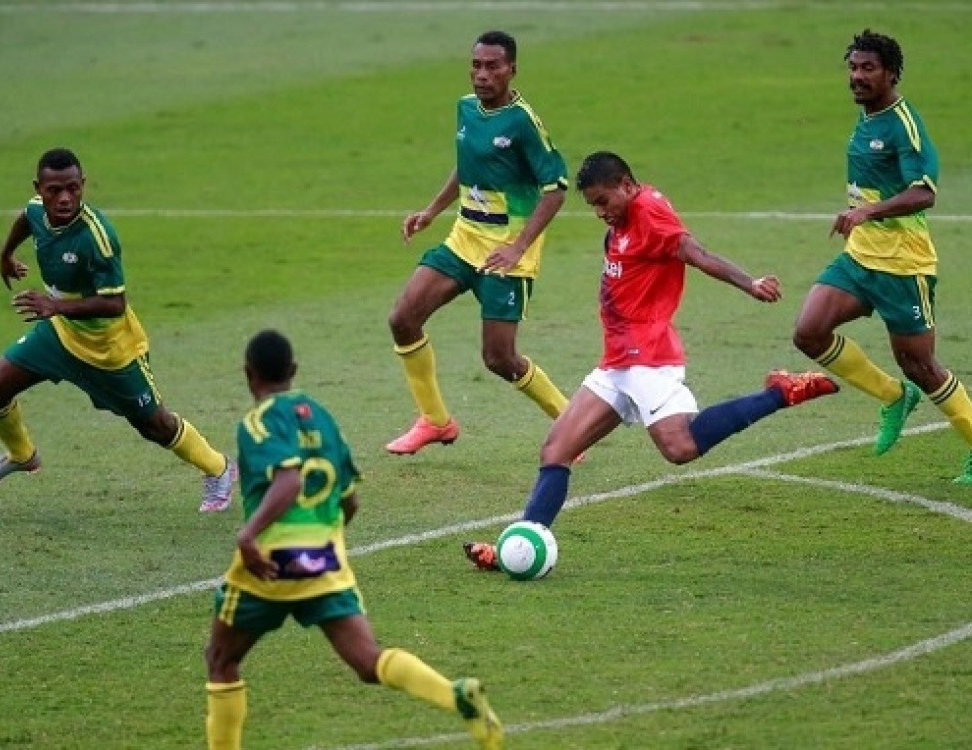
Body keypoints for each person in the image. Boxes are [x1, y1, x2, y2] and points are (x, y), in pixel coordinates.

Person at [464, 151, 839, 570]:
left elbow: (696, 253)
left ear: (627, 185)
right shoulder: (625, 218)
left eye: (604, 201)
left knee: (679, 447)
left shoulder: (649, 213)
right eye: (592, 205)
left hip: (647, 355)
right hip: (617, 360)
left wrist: (749, 283)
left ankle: (779, 393)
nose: (599, 212)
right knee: (556, 449)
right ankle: (520, 547)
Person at [204, 329, 502, 750]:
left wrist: (248, 535)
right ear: (293, 370)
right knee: (368, 661)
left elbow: (288, 481)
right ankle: (454, 695)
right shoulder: (323, 419)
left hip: (268, 561)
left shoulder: (256, 422)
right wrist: (321, 539)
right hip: (324, 560)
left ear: (248, 374)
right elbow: (351, 502)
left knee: (221, 661)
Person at [0, 147, 236, 512]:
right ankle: (22, 455)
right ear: (39, 189)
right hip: (61, 334)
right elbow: (26, 218)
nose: (65, 198)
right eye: (54, 190)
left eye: (73, 188)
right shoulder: (36, 211)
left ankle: (219, 468)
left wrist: (55, 306)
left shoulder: (97, 237)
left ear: (83, 184)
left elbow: (115, 304)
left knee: (153, 425)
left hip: (110, 350)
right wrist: (5, 255)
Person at [791, 29, 972, 483]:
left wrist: (866, 211)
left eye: (868, 68)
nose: (857, 76)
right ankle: (894, 396)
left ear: (891, 74)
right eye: (853, 67)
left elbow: (924, 193)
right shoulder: (869, 116)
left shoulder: (902, 124)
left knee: (922, 366)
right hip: (861, 258)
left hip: (903, 266)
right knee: (809, 332)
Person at [386, 30, 571, 455]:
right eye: (476, 65)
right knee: (403, 318)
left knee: (499, 359)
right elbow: (467, 164)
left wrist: (518, 247)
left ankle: (571, 423)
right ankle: (436, 422)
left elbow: (556, 189)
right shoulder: (466, 109)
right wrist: (431, 211)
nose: (482, 74)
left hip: (505, 255)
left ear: (512, 70)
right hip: (464, 239)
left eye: (492, 66)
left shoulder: (523, 122)